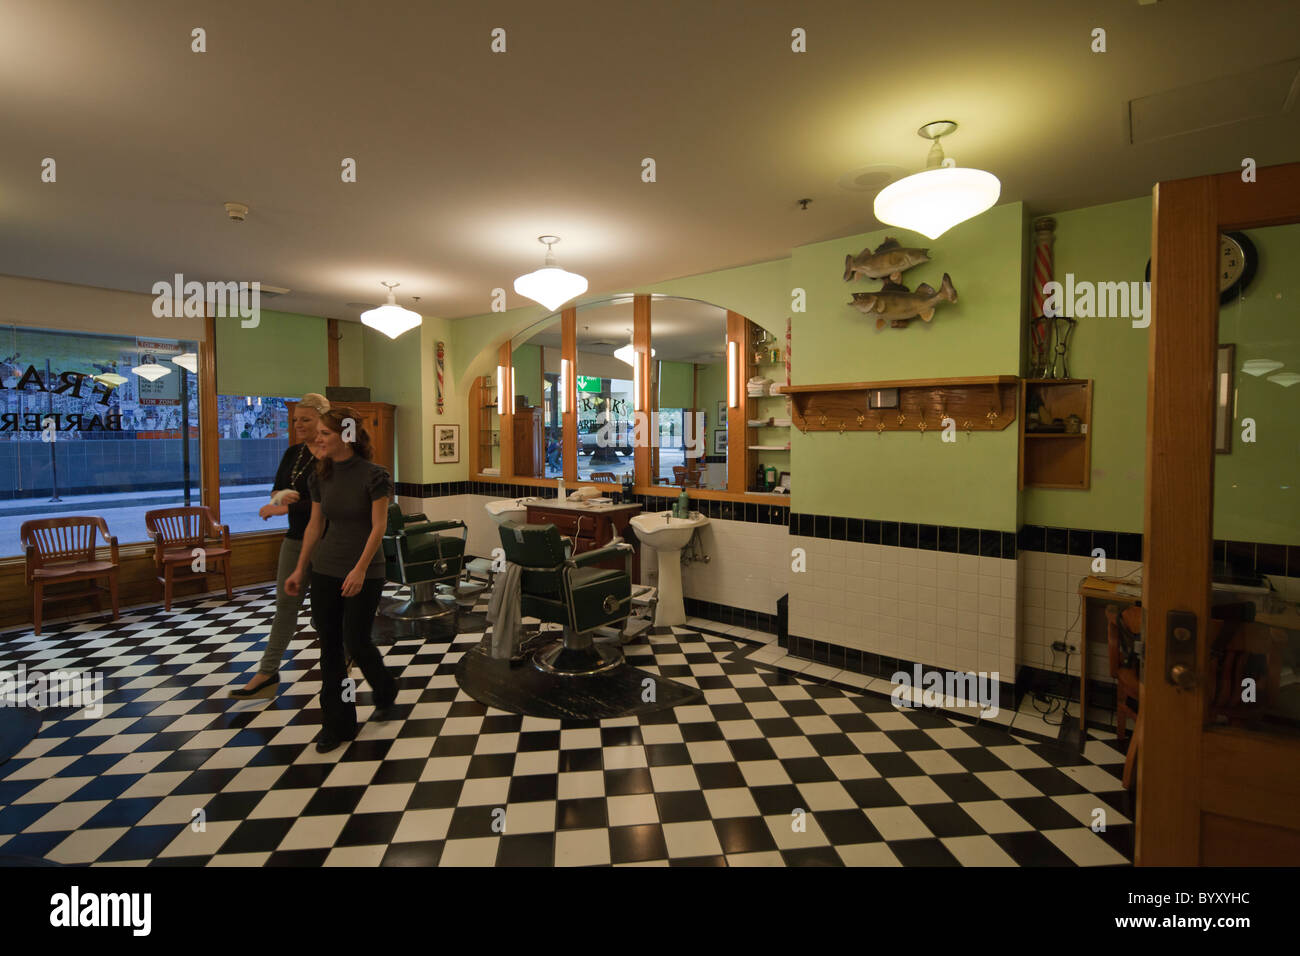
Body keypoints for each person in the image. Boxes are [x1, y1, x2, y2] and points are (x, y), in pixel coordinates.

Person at [285, 407, 398, 753]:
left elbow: (379, 527)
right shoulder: (320, 476)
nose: (316, 438)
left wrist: (361, 569)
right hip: (326, 569)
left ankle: (383, 687)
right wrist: (300, 568)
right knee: (330, 646)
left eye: (324, 433)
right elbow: (315, 526)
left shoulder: (374, 475)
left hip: (366, 570)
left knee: (356, 639)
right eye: (317, 432)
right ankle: (337, 723)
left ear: (345, 436)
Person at [230, 393, 331, 699]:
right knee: (285, 606)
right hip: (295, 540)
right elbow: (277, 489)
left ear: (322, 420)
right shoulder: (293, 454)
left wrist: (286, 506)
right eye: (296, 419)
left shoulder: (334, 455)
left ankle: (340, 665)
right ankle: (267, 672)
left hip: (330, 543)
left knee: (328, 611)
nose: (298, 424)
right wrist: (279, 499)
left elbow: (328, 506)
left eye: (306, 419)